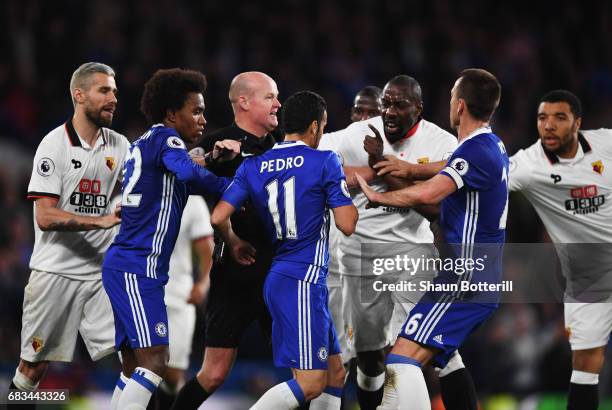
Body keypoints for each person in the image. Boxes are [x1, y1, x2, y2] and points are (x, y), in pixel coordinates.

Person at [356, 68, 507, 410]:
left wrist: (379, 197)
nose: (450, 102)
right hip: (469, 276)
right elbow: (448, 165)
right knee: (440, 358)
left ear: (461, 106)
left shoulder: (475, 151)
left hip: (464, 279)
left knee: (400, 362)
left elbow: (430, 193)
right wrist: (407, 168)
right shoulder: (490, 144)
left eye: (453, 96)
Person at [319, 75, 461, 409]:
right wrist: (370, 169)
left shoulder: (441, 143)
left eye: (400, 105)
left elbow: (438, 209)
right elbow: (314, 156)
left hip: (412, 257)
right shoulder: (358, 135)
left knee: (411, 350)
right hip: (358, 260)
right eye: (387, 104)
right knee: (369, 360)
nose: (390, 112)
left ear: (419, 109)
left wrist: (385, 165)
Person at [211, 90, 358, 410]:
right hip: (302, 281)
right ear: (316, 127)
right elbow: (347, 223)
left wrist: (234, 242)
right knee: (311, 383)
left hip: (282, 276)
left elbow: (218, 216)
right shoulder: (325, 161)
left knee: (335, 374)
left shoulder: (255, 166)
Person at [101, 68, 235, 410]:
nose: (203, 119)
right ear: (172, 114)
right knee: (157, 361)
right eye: (197, 110)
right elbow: (189, 172)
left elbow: (182, 182)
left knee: (132, 367)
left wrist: (213, 163)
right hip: (138, 267)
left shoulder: (143, 144)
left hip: (127, 265)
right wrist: (235, 190)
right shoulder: (167, 140)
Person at [7, 62, 129, 409]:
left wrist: (200, 157)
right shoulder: (53, 145)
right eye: (104, 91)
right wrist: (101, 221)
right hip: (55, 273)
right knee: (33, 367)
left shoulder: (119, 145)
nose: (113, 99)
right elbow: (45, 216)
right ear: (79, 95)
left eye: (115, 92)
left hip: (101, 274)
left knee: (136, 357)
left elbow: (150, 174)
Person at [171, 71, 281, 409]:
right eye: (270, 97)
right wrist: (211, 159)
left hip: (279, 271)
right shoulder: (218, 142)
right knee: (215, 373)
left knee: (305, 370)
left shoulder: (285, 147)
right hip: (234, 274)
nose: (278, 103)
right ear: (245, 102)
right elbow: (184, 167)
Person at [508, 90, 612, 410]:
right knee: (585, 367)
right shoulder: (527, 164)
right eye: (542, 118)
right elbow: (478, 178)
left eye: (559, 117)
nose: (549, 125)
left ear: (577, 123)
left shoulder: (606, 144)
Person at [327, 85, 383, 370]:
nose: (363, 119)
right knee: (337, 357)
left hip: (382, 263)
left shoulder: (404, 149)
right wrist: (381, 169)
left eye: (372, 113)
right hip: (336, 264)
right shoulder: (333, 142)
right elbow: (328, 171)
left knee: (374, 357)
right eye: (358, 111)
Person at [150, 195, 214, 409]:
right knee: (142, 368)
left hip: (178, 295)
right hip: (141, 293)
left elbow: (206, 248)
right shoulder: (133, 194)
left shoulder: (193, 201)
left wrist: (203, 282)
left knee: (171, 372)